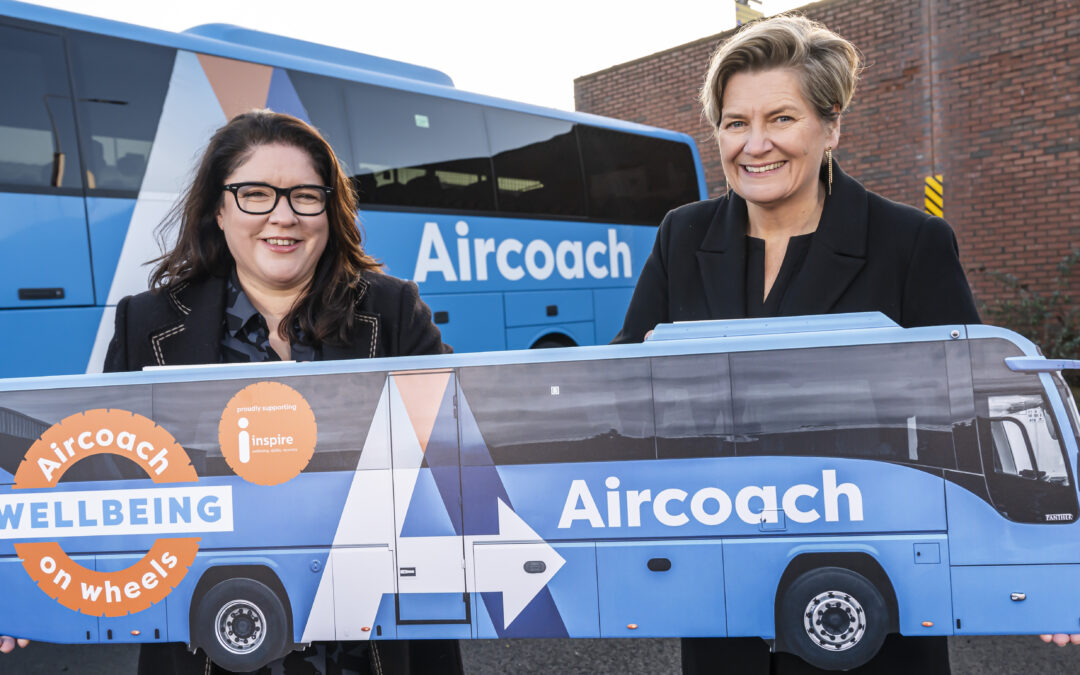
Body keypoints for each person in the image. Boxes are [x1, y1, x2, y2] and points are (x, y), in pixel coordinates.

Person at [0, 110, 461, 674]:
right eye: (255, 194)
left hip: (368, 647)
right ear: (219, 209)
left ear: (330, 210)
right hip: (211, 644)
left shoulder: (392, 313)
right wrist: (17, 587)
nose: (283, 216)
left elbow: (458, 460)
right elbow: (103, 476)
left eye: (305, 196)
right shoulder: (145, 325)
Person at [614, 13, 976, 675]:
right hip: (724, 603)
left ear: (831, 125)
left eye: (781, 118)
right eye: (734, 123)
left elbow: (969, 421)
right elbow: (625, 388)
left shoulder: (911, 245)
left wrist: (1051, 572)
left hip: (873, 604)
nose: (755, 145)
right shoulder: (681, 237)